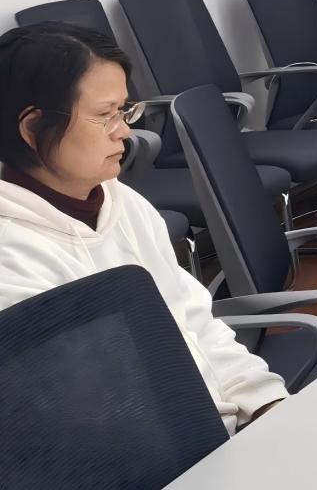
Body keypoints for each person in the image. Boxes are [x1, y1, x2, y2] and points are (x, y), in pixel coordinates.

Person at [0, 22, 287, 433]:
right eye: (104, 116)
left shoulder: (123, 202)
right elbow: (91, 416)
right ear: (32, 127)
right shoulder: (12, 258)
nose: (124, 131)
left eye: (124, 111)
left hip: (226, 429)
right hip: (168, 451)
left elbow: (194, 320)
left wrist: (265, 401)